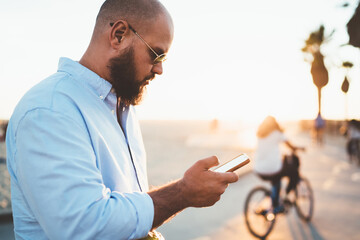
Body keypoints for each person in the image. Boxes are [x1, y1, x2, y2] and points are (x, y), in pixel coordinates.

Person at [5, 1, 238, 239]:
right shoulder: (50, 109)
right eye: (156, 54)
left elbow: (125, 203)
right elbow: (85, 228)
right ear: (118, 35)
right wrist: (182, 193)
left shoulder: (123, 106)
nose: (159, 70)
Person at [253, 116, 304, 213]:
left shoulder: (260, 134)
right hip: (273, 168)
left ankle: (275, 200)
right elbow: (290, 145)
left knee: (277, 178)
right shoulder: (277, 133)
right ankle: (285, 196)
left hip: (258, 169)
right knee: (294, 173)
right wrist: (297, 148)